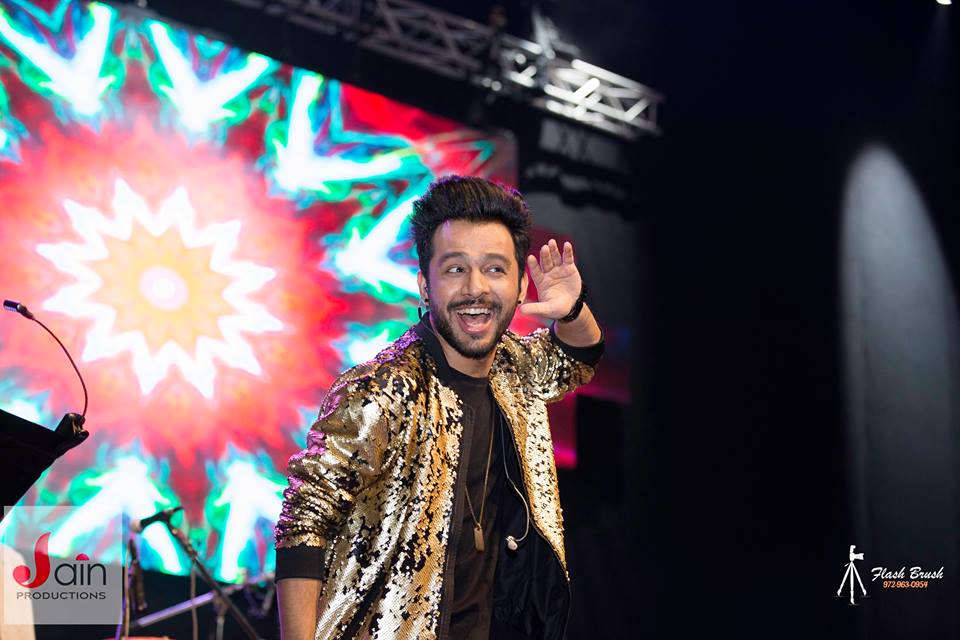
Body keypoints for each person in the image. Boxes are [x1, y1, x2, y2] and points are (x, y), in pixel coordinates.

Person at [274, 175, 604, 639]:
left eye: (494, 269)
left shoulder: (512, 368)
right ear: (425, 287)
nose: (476, 288)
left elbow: (579, 357)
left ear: (519, 286)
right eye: (454, 269)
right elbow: (304, 523)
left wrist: (571, 310)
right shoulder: (383, 390)